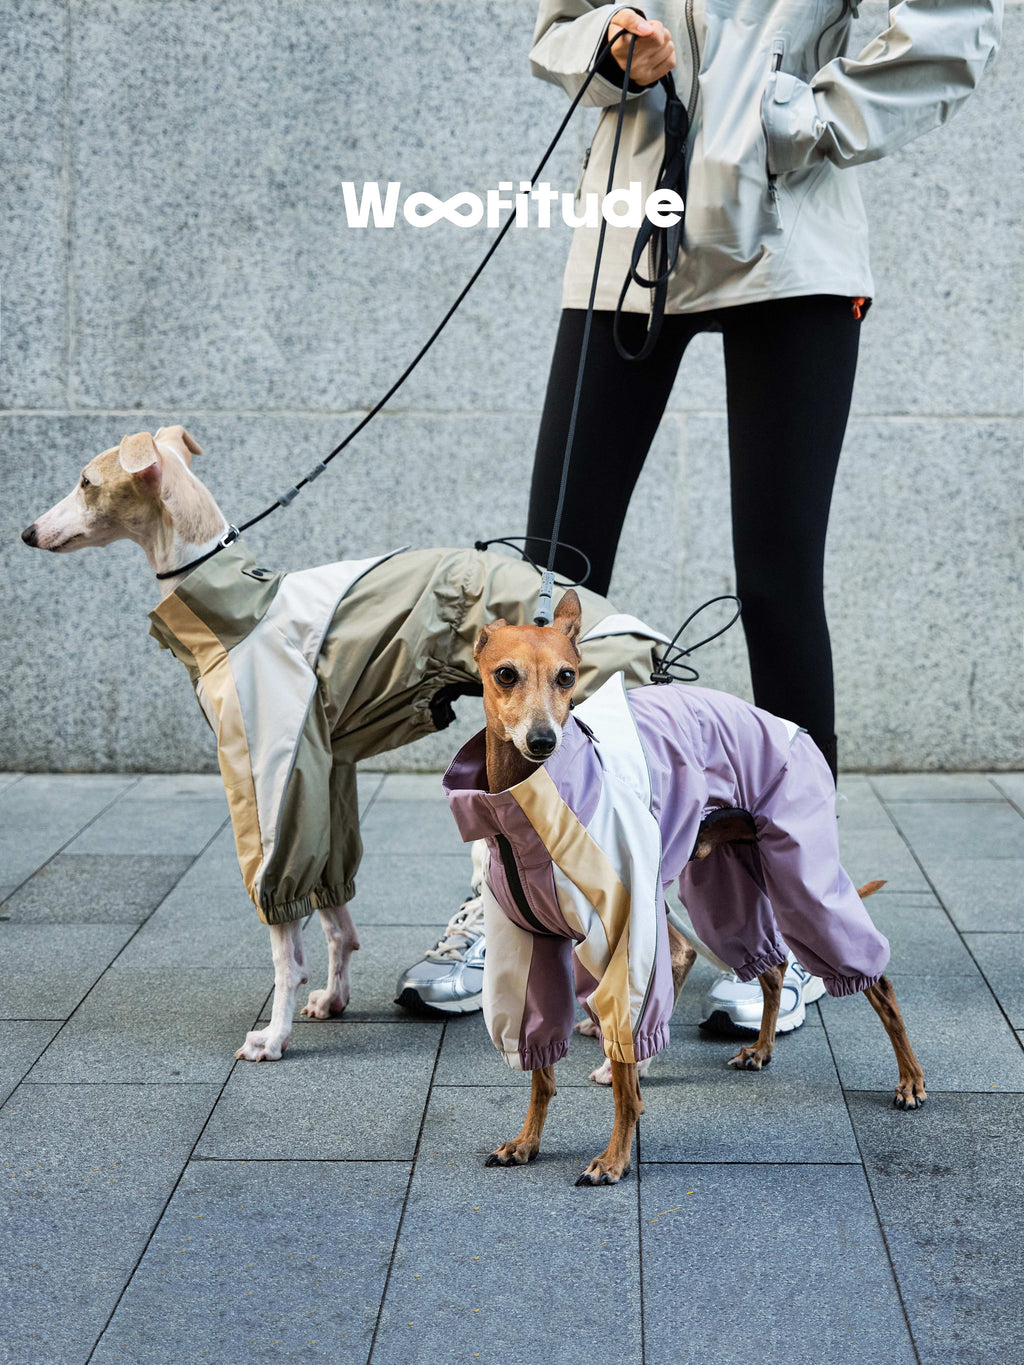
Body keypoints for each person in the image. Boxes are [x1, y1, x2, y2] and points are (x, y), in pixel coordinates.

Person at [395, 0, 1002, 1030]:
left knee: (774, 579)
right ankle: (515, 892)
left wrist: (796, 116)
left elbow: (949, 24)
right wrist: (613, 53)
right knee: (549, 578)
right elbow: (561, 25)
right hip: (631, 223)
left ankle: (795, 921)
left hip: (791, 227)